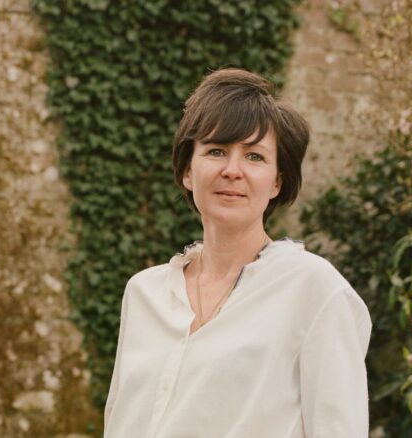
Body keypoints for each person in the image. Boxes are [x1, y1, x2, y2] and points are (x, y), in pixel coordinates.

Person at [104, 68, 372, 438]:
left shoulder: (314, 290)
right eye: (216, 151)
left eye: (254, 157)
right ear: (187, 172)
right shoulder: (144, 293)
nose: (232, 170)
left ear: (277, 181)